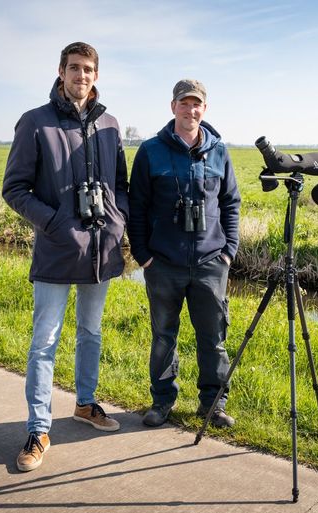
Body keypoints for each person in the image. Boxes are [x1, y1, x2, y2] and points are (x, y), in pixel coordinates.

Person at [3, 42, 129, 472]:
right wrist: (56, 224)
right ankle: (38, 429)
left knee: (91, 333)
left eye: (89, 69)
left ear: (97, 75)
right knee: (45, 343)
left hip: (101, 251)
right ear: (61, 72)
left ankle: (86, 403)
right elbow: (14, 189)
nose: (82, 75)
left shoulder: (109, 124)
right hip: (57, 250)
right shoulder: (35, 123)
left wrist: (117, 220)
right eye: (74, 68)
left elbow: (121, 184)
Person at [128, 79, 241, 428]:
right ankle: (162, 401)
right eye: (184, 103)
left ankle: (213, 404)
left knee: (213, 338)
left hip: (210, 263)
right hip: (163, 264)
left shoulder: (219, 151)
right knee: (164, 336)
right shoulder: (150, 151)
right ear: (172, 106)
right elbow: (137, 208)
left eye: (197, 104)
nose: (190, 110)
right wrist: (144, 255)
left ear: (204, 110)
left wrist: (229, 252)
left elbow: (231, 203)